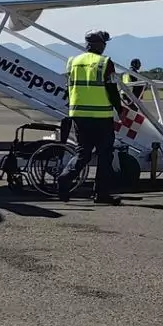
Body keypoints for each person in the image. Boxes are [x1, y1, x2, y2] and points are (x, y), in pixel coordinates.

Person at [57, 30, 123, 205]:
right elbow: (112, 89)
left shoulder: (73, 62)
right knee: (105, 155)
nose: (105, 47)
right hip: (101, 116)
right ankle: (101, 194)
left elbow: (69, 88)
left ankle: (64, 179)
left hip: (79, 115)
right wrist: (120, 109)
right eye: (104, 43)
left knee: (83, 153)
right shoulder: (105, 63)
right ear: (99, 44)